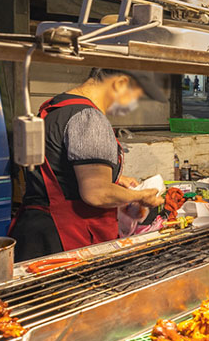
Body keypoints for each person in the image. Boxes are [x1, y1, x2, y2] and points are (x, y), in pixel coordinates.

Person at [9, 68, 166, 262]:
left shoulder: (56, 107)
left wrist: (116, 180)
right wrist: (140, 196)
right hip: (64, 240)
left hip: (35, 234)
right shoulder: (89, 117)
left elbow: (59, 171)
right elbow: (97, 193)